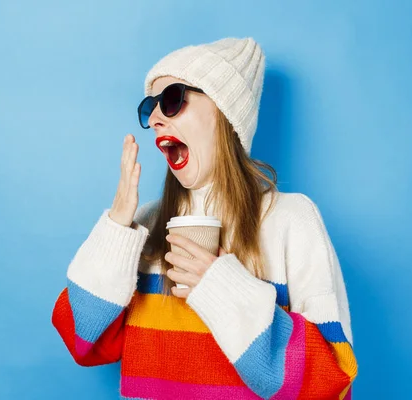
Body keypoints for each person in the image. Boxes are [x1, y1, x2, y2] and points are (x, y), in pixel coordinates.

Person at [52, 37, 358, 400]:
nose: (154, 118)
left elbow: (332, 383)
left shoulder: (291, 220)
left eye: (172, 100)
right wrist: (118, 225)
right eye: (150, 106)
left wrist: (221, 289)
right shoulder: (145, 225)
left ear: (224, 113)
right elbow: (83, 342)